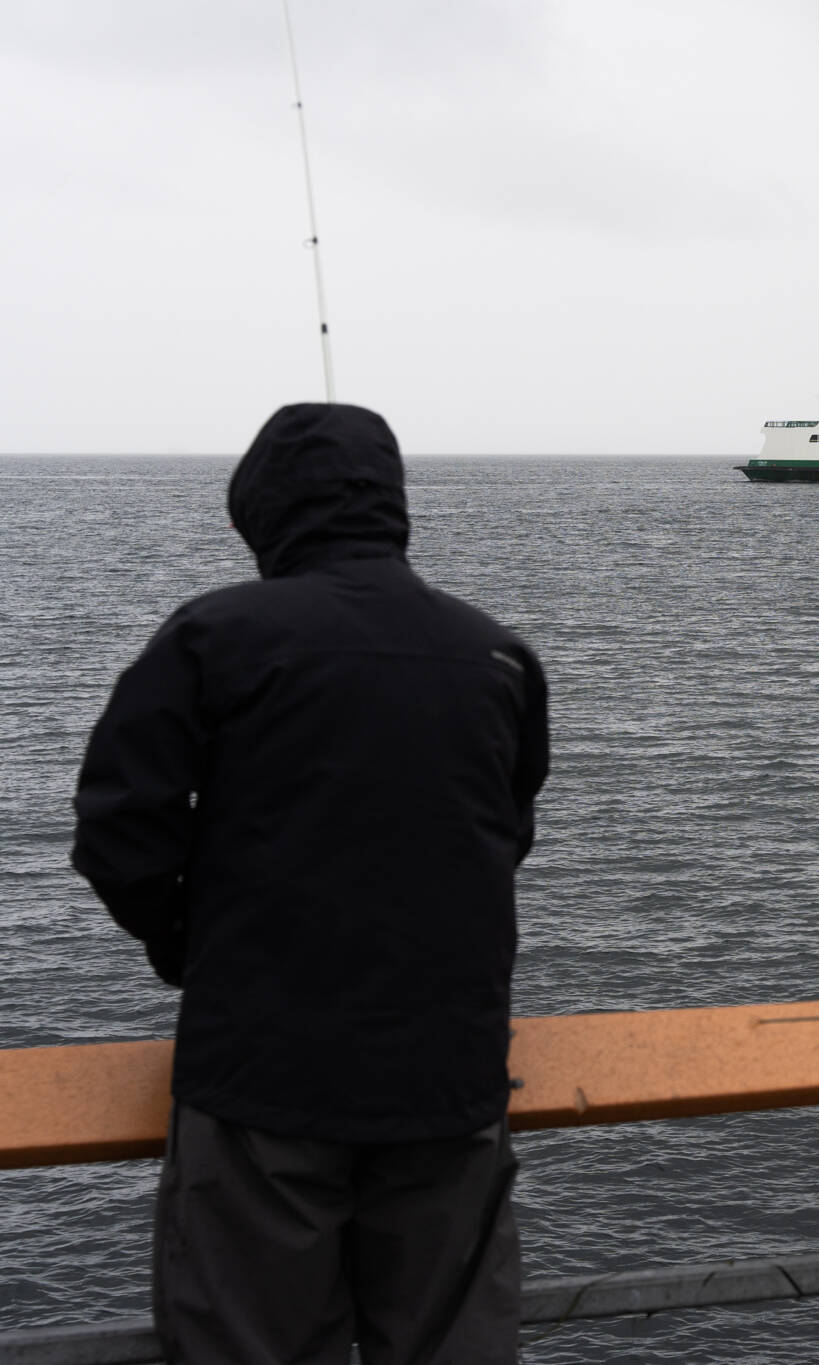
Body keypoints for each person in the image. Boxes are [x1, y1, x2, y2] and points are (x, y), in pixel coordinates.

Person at [72, 404, 549, 1365]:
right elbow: (503, 835)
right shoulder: (498, 656)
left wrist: (189, 943)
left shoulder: (215, 634)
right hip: (448, 1086)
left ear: (262, 509)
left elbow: (122, 828)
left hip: (262, 1085)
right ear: (391, 503)